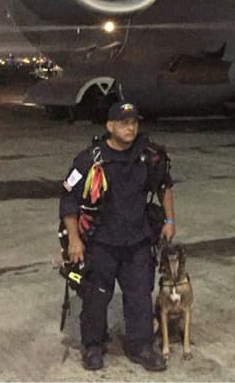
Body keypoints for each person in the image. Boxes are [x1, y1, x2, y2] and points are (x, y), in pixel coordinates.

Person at [59, 102, 173, 372]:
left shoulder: (149, 155)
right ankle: (93, 346)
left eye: (134, 122)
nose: (131, 127)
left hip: (137, 240)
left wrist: (169, 220)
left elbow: (165, 185)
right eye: (124, 123)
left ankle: (141, 346)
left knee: (140, 296)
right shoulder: (90, 159)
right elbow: (68, 199)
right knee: (96, 297)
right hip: (101, 243)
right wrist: (75, 240)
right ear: (110, 126)